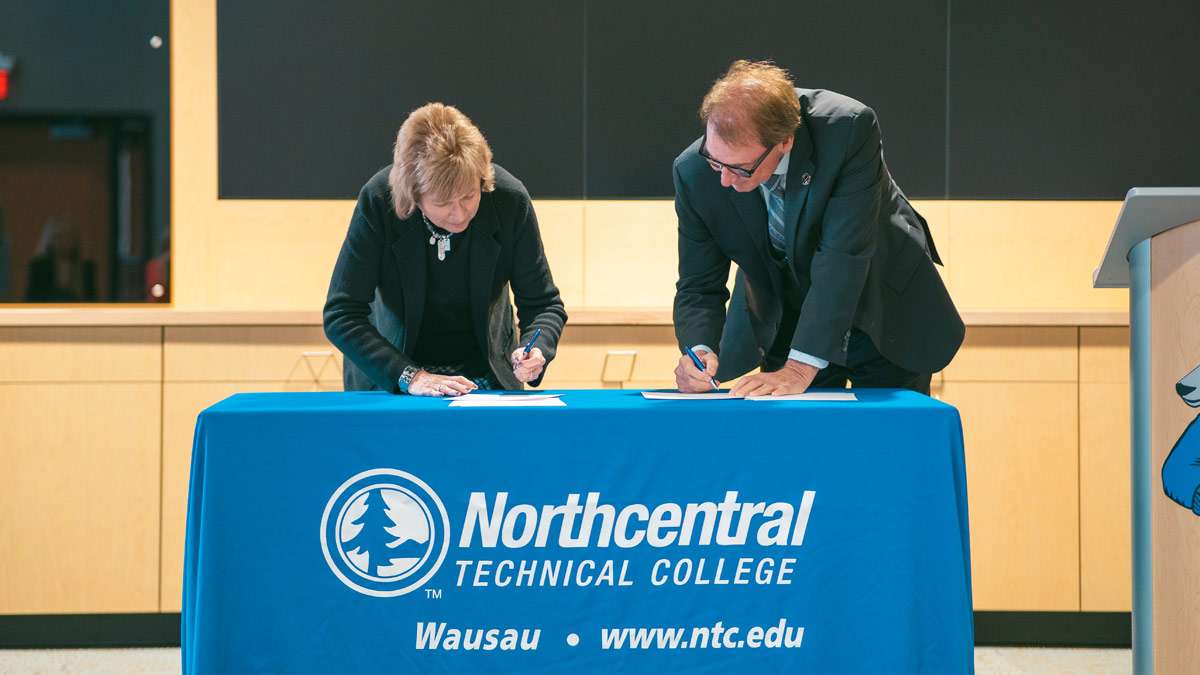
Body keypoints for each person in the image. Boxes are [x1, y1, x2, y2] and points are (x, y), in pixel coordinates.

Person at [672, 60, 963, 396]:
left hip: (880, 305)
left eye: (740, 169)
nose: (723, 179)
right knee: (798, 441)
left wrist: (799, 368)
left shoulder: (847, 129)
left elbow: (843, 256)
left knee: (885, 442)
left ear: (784, 142)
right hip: (789, 315)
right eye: (714, 160)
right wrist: (699, 350)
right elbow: (698, 282)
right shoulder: (694, 172)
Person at [324, 103, 567, 396]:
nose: (459, 214)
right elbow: (342, 314)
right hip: (394, 377)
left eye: (469, 196)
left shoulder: (509, 200)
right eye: (442, 203)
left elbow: (543, 304)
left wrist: (536, 349)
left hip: (485, 376)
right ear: (412, 195)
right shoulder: (379, 201)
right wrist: (411, 376)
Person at [26, 217, 96, 302]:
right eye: (59, 236)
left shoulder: (86, 269)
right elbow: (32, 301)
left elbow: (92, 302)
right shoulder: (39, 268)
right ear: (50, 240)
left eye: (68, 235)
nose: (64, 241)